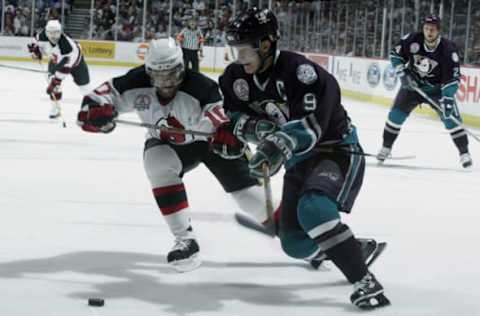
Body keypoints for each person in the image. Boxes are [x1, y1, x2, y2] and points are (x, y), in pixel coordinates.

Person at [220, 8, 390, 309]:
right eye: (236, 49)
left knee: (313, 208)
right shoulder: (235, 78)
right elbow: (234, 117)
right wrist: (241, 132)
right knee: (294, 244)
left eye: (245, 49)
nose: (239, 56)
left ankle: (366, 283)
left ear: (266, 43)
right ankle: (348, 248)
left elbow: (311, 126)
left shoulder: (301, 73)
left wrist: (274, 145)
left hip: (335, 150)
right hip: (298, 160)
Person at [76, 38, 272, 273]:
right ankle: (186, 240)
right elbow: (94, 101)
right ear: (149, 73)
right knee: (156, 162)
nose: (166, 82)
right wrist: (97, 116)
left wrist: (227, 133)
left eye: (172, 74)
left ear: (182, 67)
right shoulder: (134, 81)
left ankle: (303, 236)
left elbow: (221, 116)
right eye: (159, 76)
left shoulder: (202, 87)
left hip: (211, 144)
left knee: (252, 200)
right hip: (168, 144)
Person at [377, 14, 472, 168]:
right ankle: (386, 148)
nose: (429, 32)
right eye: (426, 28)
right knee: (395, 116)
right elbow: (395, 55)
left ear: (439, 31)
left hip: (437, 91)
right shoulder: (413, 39)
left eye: (432, 30)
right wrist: (403, 73)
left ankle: (464, 153)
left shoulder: (448, 49)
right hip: (412, 87)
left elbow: (453, 77)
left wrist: (448, 98)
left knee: (452, 121)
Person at [27, 19, 91, 119]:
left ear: (60, 31)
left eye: (56, 32)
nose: (53, 36)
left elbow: (65, 68)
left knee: (84, 86)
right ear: (46, 32)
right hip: (55, 60)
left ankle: (92, 107)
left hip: (76, 64)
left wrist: (54, 81)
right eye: (50, 33)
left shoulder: (68, 47)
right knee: (55, 88)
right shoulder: (42, 36)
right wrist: (35, 52)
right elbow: (33, 44)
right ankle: (55, 108)